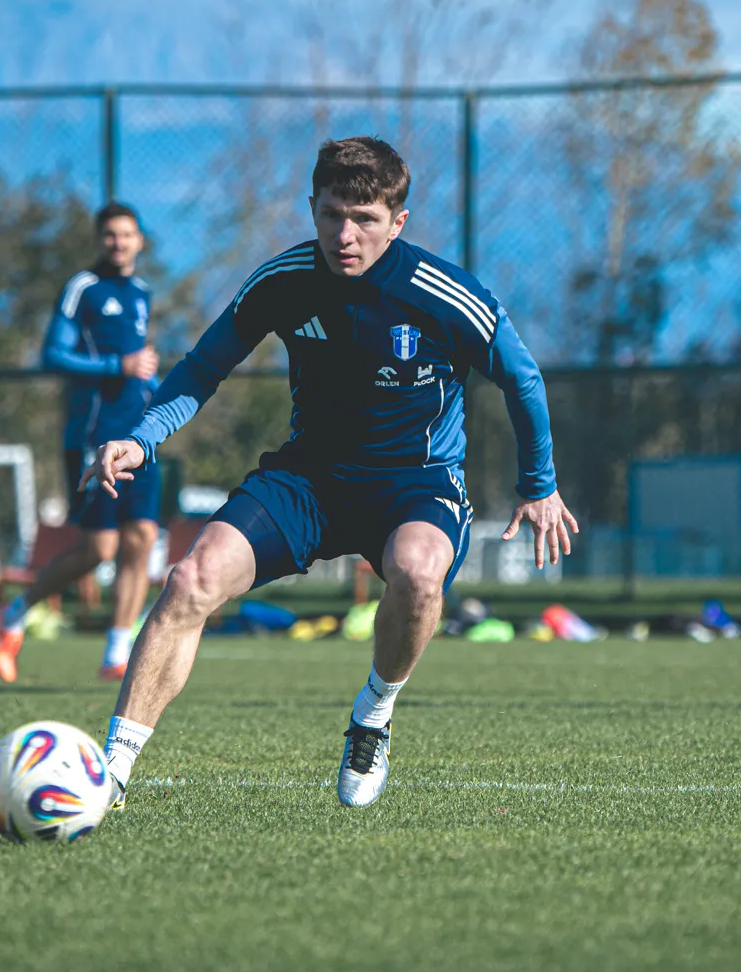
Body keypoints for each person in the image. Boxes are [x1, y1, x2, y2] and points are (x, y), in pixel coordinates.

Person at [85, 137, 577, 808]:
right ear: (312, 207)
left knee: (419, 576)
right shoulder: (283, 281)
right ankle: (110, 772)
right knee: (189, 580)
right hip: (307, 480)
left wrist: (540, 485)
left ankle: (373, 714)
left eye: (364, 219)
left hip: (416, 482)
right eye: (331, 215)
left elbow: (522, 378)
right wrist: (142, 439)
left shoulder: (445, 293)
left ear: (398, 222)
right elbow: (203, 367)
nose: (345, 235)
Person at [0, 201, 160, 683]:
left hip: (140, 434)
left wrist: (151, 384)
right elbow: (52, 355)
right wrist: (116, 366)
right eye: (110, 234)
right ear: (99, 239)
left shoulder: (142, 293)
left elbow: (138, 364)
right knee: (99, 548)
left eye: (126, 234)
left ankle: (116, 654)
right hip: (92, 435)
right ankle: (15, 612)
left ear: (140, 240)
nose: (118, 242)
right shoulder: (82, 288)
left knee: (142, 536)